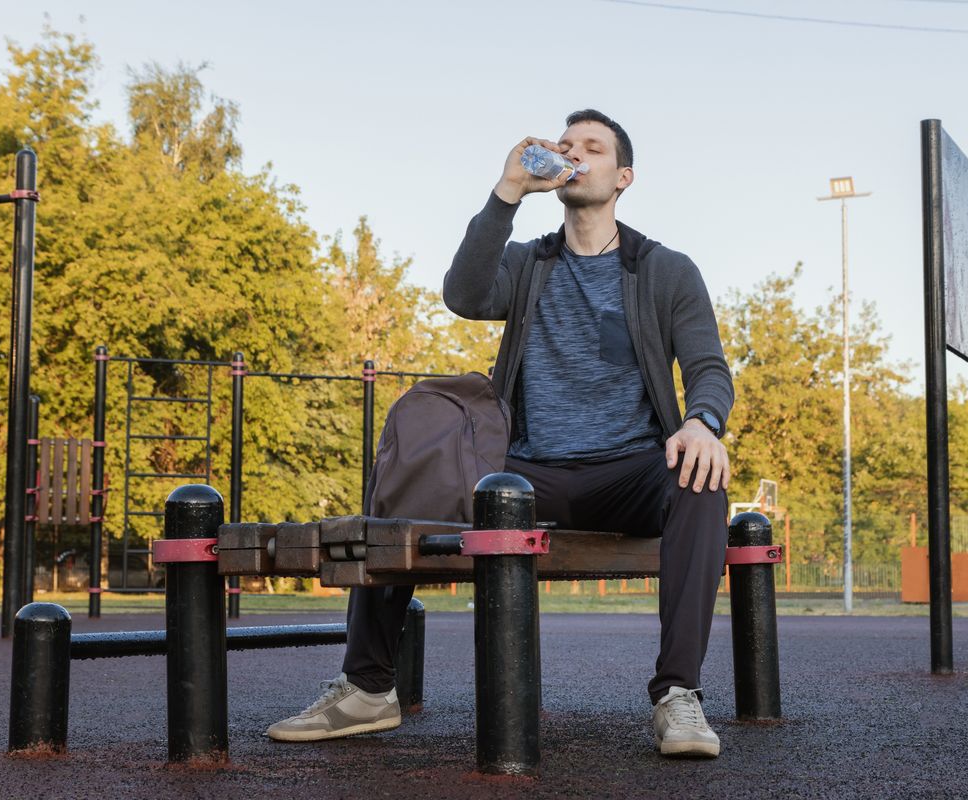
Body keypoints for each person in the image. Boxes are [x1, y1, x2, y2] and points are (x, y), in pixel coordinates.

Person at [267, 109, 735, 758]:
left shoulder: (665, 270)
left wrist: (702, 422)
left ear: (623, 176)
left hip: (627, 471)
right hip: (521, 475)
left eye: (593, 148)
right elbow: (463, 292)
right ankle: (369, 686)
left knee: (701, 479)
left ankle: (677, 695)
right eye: (566, 145)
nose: (575, 154)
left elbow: (708, 367)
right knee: (421, 466)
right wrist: (507, 189)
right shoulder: (529, 264)